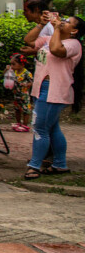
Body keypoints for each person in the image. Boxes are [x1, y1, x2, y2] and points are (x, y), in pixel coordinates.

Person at [24, 13, 84, 179]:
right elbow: (29, 40)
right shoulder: (49, 38)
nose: (63, 22)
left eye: (67, 22)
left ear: (74, 31)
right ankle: (59, 164)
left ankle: (34, 166)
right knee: (52, 128)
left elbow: (57, 50)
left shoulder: (74, 44)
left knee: (40, 128)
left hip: (54, 91)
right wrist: (41, 25)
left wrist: (56, 28)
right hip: (41, 88)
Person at [4, 54, 33, 132]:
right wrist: (6, 70)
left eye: (14, 64)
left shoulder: (27, 73)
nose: (12, 66)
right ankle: (18, 123)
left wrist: (26, 84)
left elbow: (32, 82)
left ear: (21, 64)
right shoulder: (13, 72)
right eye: (11, 64)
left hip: (24, 95)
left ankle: (25, 125)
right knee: (17, 109)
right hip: (16, 94)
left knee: (26, 110)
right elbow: (5, 75)